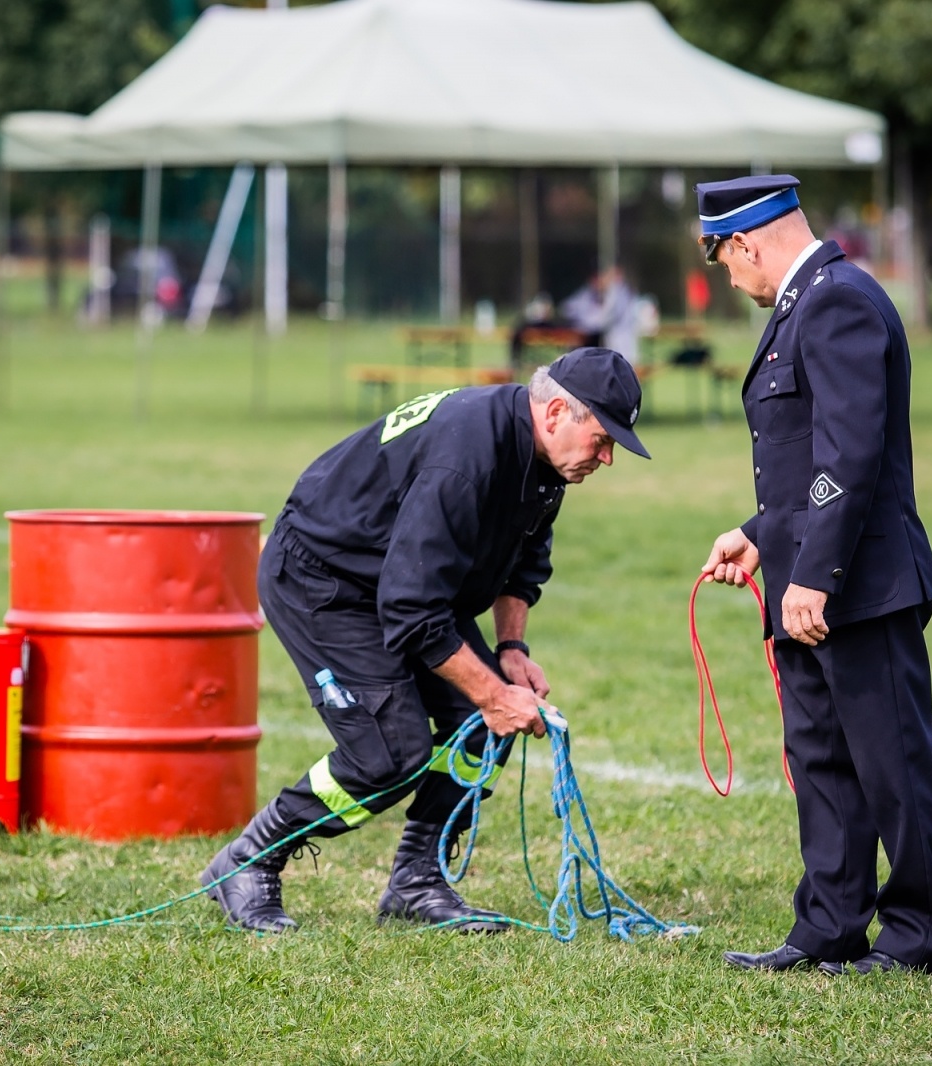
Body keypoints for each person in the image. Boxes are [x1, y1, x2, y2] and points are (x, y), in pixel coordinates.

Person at [201, 348, 650, 934]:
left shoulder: (544, 456)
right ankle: (250, 859)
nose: (607, 457)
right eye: (602, 439)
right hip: (325, 579)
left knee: (483, 727)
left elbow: (523, 563)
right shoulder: (467, 459)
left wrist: (511, 654)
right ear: (557, 411)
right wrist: (493, 694)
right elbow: (409, 609)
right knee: (390, 753)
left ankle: (417, 880)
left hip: (406, 585)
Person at [693, 174, 932, 976]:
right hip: (811, 580)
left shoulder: (836, 300)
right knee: (822, 762)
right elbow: (805, 462)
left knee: (888, 762)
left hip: (859, 588)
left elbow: (851, 453)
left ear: (745, 241)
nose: (724, 278)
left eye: (720, 259)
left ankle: (916, 940)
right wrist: (759, 534)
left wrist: (817, 574)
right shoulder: (803, 302)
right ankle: (829, 927)